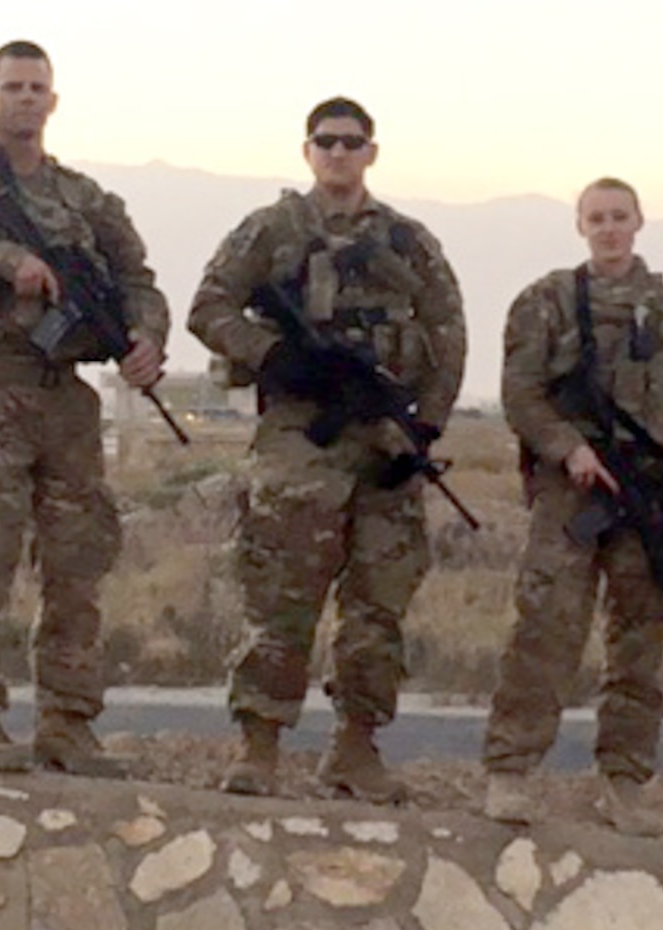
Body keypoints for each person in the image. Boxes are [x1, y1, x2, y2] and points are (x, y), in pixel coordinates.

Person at [188, 97, 466, 803]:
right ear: (307, 151)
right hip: (298, 435)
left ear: (372, 151)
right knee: (280, 593)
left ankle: (355, 747)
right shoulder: (271, 230)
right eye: (326, 142)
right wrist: (274, 354)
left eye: (351, 142)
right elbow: (209, 307)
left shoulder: (409, 242)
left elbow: (448, 332)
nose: (338, 153)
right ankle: (260, 744)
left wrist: (423, 428)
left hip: (384, 441)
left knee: (379, 600)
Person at [0, 40, 168, 775]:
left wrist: (146, 338)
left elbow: (138, 278)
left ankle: (68, 721)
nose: (24, 98)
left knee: (78, 564)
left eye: (36, 87)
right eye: (12, 86)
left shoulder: (85, 201)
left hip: (66, 398)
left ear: (53, 101)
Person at [479, 178, 663, 835]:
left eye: (619, 217)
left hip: (648, 492)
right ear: (580, 226)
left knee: (640, 640)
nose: (609, 229)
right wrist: (569, 448)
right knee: (546, 628)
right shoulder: (547, 303)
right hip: (575, 491)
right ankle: (510, 769)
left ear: (639, 221)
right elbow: (521, 394)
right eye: (597, 218)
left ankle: (624, 780)